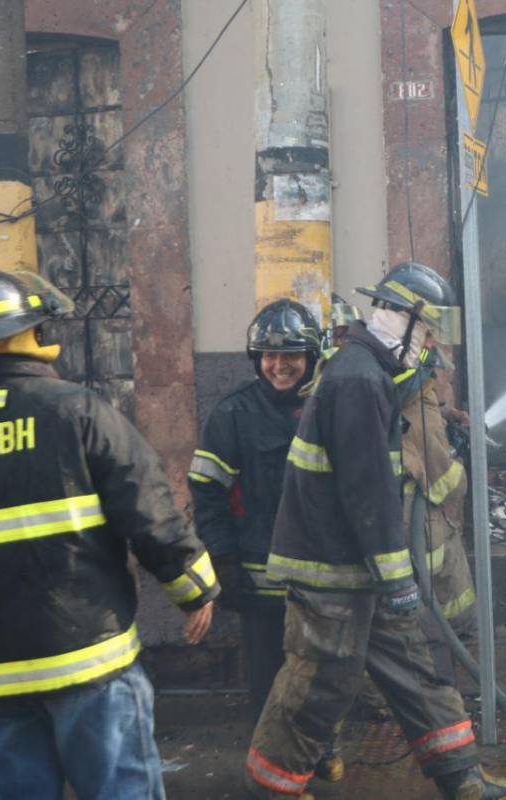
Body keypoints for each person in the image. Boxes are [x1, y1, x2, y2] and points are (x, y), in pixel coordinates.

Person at [245, 262, 506, 800]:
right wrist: (398, 576)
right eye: (424, 331)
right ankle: (271, 787)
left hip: (361, 564)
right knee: (316, 682)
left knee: (414, 670)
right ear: (396, 317)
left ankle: (463, 779)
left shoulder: (373, 370)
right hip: (331, 566)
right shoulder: (356, 377)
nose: (427, 345)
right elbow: (366, 488)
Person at [0, 267, 219, 800]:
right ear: (26, 335)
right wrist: (193, 588)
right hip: (88, 661)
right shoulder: (77, 412)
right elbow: (148, 508)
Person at [189, 299, 321, 717]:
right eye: (269, 355)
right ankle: (271, 775)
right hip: (261, 586)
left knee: (324, 679)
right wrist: (224, 560)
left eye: (291, 355)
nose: (279, 365)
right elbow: (207, 497)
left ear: (311, 356)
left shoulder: (329, 406)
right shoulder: (232, 415)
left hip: (324, 578)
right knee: (270, 685)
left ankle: (317, 756)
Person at [398, 340, 477, 643]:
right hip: (422, 527)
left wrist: (448, 414)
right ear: (430, 372)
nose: (447, 381)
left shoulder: (418, 401)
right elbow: (446, 483)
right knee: (439, 599)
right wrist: (459, 456)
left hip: (421, 524)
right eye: (444, 375)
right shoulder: (420, 407)